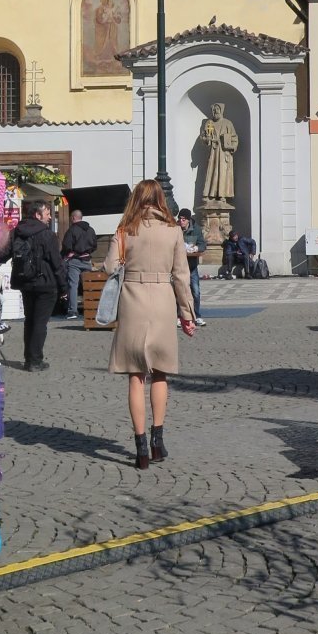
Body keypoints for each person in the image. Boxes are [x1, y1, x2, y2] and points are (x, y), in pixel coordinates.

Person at [104, 180, 195, 469]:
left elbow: (108, 267)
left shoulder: (125, 229)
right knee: (160, 373)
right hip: (162, 301)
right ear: (160, 199)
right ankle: (158, 441)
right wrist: (187, 313)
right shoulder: (173, 231)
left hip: (132, 301)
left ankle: (140, 447)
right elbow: (181, 276)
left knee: (135, 376)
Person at [11, 199, 67, 371]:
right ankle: (35, 361)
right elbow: (56, 263)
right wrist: (63, 287)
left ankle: (29, 358)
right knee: (40, 323)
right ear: (37, 214)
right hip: (45, 283)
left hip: (25, 282)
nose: (50, 217)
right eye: (48, 213)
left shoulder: (18, 232)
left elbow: (6, 252)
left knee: (30, 320)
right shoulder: (47, 234)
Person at [60, 208, 98, 320]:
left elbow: (66, 246)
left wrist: (69, 253)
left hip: (75, 261)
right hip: (87, 260)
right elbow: (95, 245)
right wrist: (87, 252)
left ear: (73, 218)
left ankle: (73, 311)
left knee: (73, 285)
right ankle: (92, 310)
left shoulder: (72, 230)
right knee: (89, 286)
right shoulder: (91, 230)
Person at [177, 209, 208, 326]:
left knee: (196, 292)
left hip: (191, 266)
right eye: (180, 219)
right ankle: (179, 316)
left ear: (188, 220)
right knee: (178, 292)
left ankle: (197, 316)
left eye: (183, 219)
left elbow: (203, 244)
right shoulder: (175, 229)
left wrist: (196, 248)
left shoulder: (196, 229)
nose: (181, 221)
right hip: (178, 267)